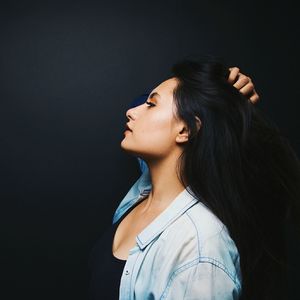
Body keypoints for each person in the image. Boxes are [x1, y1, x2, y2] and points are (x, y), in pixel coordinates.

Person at [88, 58, 300, 300]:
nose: (132, 111)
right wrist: (225, 95)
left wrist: (223, 102)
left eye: (151, 104)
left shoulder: (199, 252)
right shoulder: (147, 189)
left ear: (186, 130)